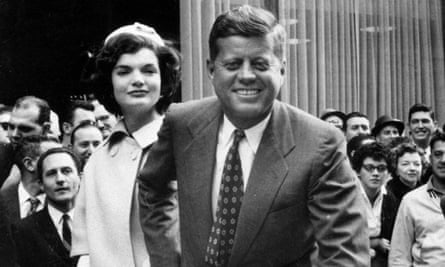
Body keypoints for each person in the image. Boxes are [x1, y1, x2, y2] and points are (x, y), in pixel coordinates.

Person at [138, 5, 369, 267]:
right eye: (233, 64)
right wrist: (167, 259)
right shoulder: (182, 122)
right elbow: (151, 187)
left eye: (260, 64)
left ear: (281, 69)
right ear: (211, 69)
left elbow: (346, 257)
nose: (246, 76)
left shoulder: (320, 144)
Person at [71, 22, 180, 267]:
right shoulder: (96, 162)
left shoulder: (184, 146)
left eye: (149, 70)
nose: (138, 80)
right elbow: (86, 252)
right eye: (124, 71)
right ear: (108, 81)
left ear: (164, 78)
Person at [13, 147, 81, 267]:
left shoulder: (99, 223)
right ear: (41, 185)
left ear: (80, 178)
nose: (60, 179)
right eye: (51, 173)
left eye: (66, 171)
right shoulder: (23, 230)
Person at [389, 131, 445, 266]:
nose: (444, 160)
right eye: (438, 154)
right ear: (430, 159)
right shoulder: (411, 201)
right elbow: (399, 257)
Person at [351, 142, 399, 267]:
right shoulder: (348, 196)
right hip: (350, 255)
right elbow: (341, 238)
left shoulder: (390, 198)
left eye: (381, 168)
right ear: (358, 171)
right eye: (369, 168)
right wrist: (375, 243)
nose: (376, 173)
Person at [0, 135, 61, 223]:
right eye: (53, 157)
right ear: (29, 164)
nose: (64, 162)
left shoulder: (69, 201)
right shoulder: (3, 201)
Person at [0, 96, 52, 187]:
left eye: (24, 129)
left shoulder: (58, 160)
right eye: (11, 127)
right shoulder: (2, 155)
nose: (14, 135)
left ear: (45, 129)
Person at [407, 103, 438, 184]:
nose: (420, 126)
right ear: (409, 126)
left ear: (435, 125)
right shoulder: (401, 154)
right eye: (415, 122)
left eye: (425, 121)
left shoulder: (442, 152)